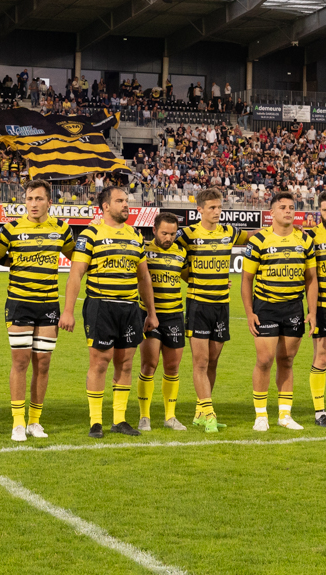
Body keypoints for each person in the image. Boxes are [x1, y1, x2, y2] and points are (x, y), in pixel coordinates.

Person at [59, 186, 159, 438]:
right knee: (100, 362)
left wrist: (151, 313)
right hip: (101, 306)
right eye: (120, 201)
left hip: (130, 308)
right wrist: (68, 311)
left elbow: (144, 276)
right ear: (105, 206)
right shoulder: (90, 234)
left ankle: (120, 419)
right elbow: (76, 273)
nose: (126, 204)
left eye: (127, 200)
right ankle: (95, 421)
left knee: (125, 363)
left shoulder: (135, 235)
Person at [0, 178, 75, 441]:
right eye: (29, 198)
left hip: (48, 304)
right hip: (19, 303)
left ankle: (35, 421)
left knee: (43, 363)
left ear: (49, 201)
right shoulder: (11, 229)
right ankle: (17, 421)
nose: (33, 204)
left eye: (38, 199)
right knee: (20, 361)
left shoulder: (62, 229)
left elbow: (77, 260)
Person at [176, 187, 255, 430]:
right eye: (212, 207)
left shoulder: (228, 232)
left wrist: (282, 230)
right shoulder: (187, 234)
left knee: (213, 362)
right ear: (199, 210)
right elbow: (169, 253)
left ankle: (201, 411)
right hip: (198, 305)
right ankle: (210, 414)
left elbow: (253, 236)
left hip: (222, 306)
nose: (217, 211)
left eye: (219, 207)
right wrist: (193, 278)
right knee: (200, 362)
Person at [240, 190, 318, 432]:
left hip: (293, 307)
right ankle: (260, 415)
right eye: (282, 207)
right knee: (265, 360)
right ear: (271, 212)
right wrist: (250, 312)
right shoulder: (259, 241)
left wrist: (312, 312)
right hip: (266, 307)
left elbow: (311, 279)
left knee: (287, 360)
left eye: (291, 207)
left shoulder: (305, 240)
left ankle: (285, 415)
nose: (288, 211)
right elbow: (246, 280)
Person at [136, 212, 188, 431]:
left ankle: (170, 417)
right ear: (154, 230)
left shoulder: (181, 252)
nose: (169, 238)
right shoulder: (144, 251)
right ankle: (144, 416)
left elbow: (188, 276)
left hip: (175, 314)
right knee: (149, 365)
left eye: (173, 234)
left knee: (173, 367)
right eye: (164, 233)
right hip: (148, 314)